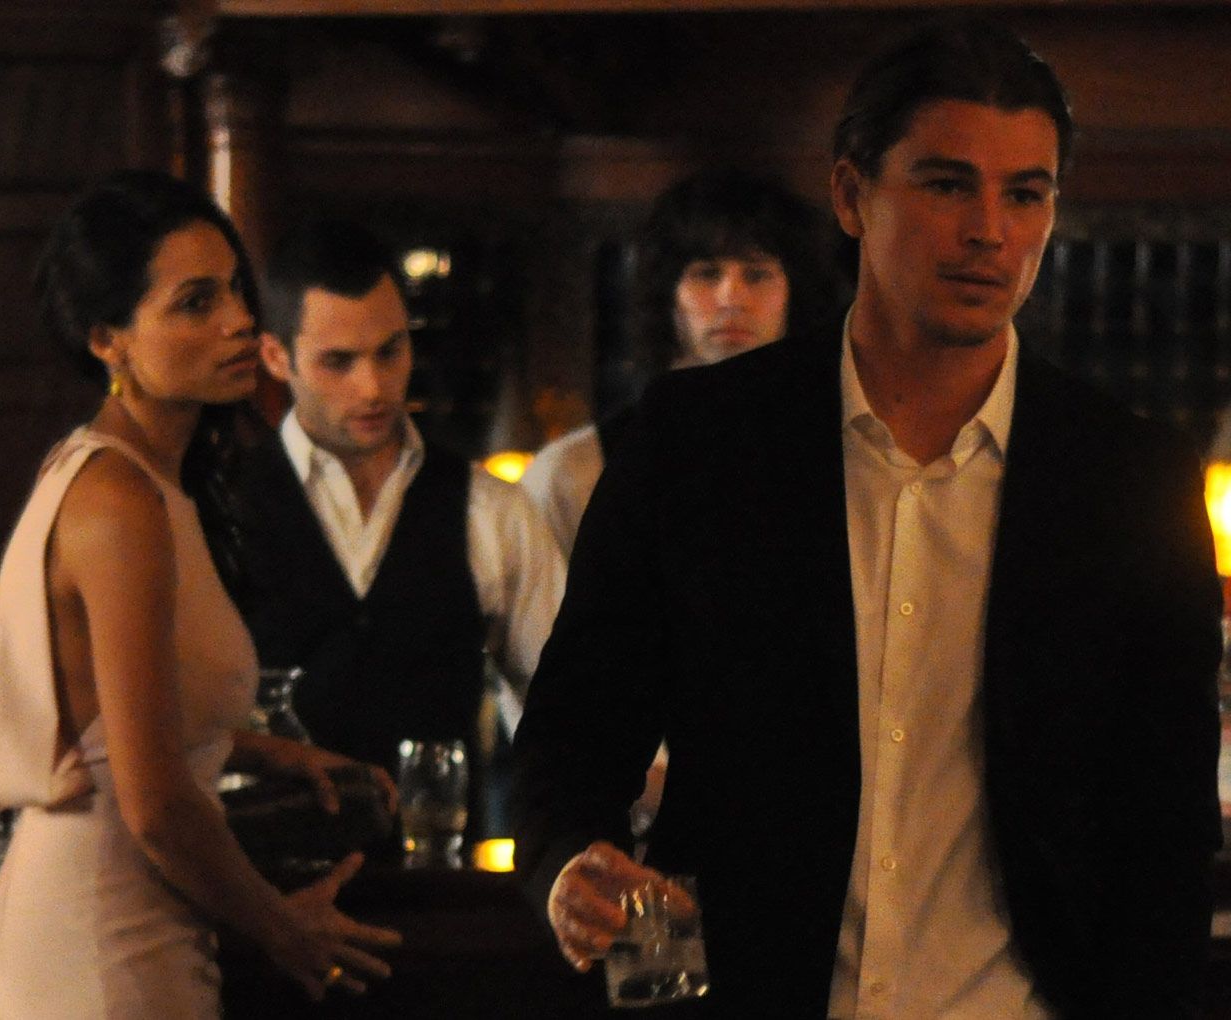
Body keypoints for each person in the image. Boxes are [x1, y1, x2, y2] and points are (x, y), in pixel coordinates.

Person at [513, 18, 1222, 1018]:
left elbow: (1165, 829)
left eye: (1025, 194)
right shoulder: (699, 442)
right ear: (851, 194)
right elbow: (575, 728)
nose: (989, 231)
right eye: (947, 185)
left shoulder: (1127, 478)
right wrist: (564, 860)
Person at [0, 171, 402, 1018]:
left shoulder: (148, 481)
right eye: (196, 302)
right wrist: (283, 929)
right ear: (108, 339)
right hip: (99, 930)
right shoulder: (117, 501)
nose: (240, 320)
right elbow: (156, 804)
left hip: (122, 916)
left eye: (236, 290)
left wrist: (268, 752)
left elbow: (115, 731)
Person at [214, 218, 564, 838]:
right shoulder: (221, 506)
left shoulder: (491, 509)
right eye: (338, 362)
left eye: (390, 351)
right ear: (275, 356)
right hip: (261, 874)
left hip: (441, 874)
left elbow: (571, 700)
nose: (372, 387)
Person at [521, 167, 844, 558]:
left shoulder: (842, 459)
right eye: (707, 274)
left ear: (795, 292)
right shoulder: (575, 472)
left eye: (757, 275)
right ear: (666, 294)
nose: (731, 298)